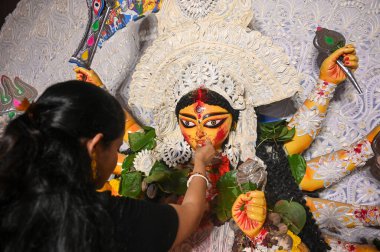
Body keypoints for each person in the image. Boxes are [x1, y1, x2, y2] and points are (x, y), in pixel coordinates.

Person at [0, 80, 216, 252]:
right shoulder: (99, 217)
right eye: (116, 148)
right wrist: (200, 163)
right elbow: (190, 214)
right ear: (94, 147)